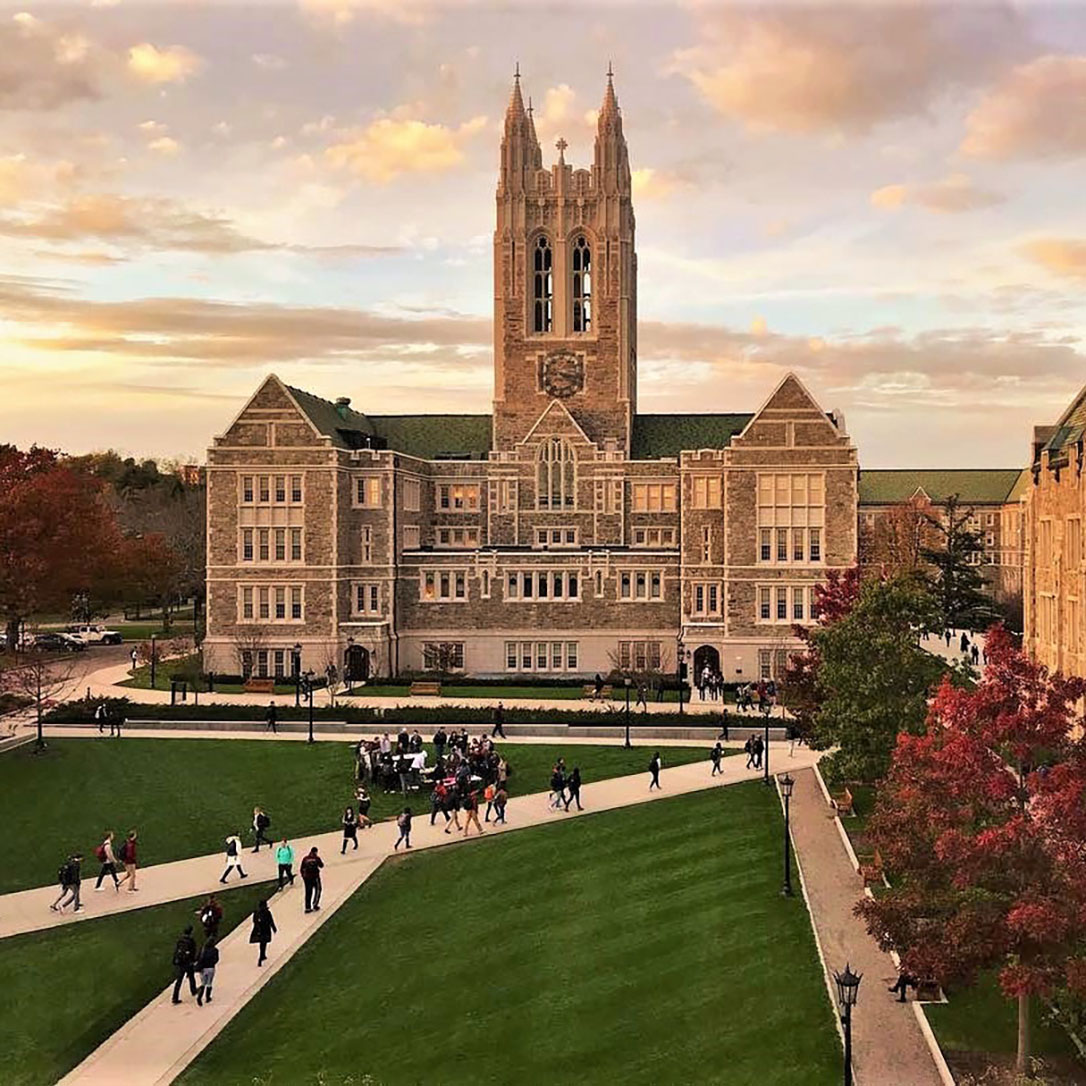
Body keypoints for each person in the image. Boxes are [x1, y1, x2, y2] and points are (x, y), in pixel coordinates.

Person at [171, 925, 198, 1003]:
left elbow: (176, 951)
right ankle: (193, 990)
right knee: (191, 977)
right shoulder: (191, 941)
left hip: (180, 963)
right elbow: (193, 952)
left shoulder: (180, 940)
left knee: (179, 981)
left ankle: (175, 997)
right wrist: (193, 961)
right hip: (188, 962)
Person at [249, 900, 277, 966]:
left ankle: (262, 954)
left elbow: (254, 921)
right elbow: (271, 921)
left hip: (259, 929)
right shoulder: (267, 912)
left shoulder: (256, 913)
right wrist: (274, 928)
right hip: (266, 929)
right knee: (264, 943)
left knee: (262, 943)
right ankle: (261, 956)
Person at [196, 937, 219, 1006]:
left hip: (203, 969)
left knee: (203, 983)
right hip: (210, 968)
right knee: (209, 983)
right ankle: (207, 997)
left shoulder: (202, 949)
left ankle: (199, 997)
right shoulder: (215, 950)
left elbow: (197, 958)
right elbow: (216, 959)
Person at [300, 847, 323, 912]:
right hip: (315, 877)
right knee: (318, 890)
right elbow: (321, 865)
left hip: (307, 878)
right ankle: (315, 904)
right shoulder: (317, 858)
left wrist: (303, 876)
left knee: (308, 892)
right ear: (316, 852)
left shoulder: (305, 858)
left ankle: (307, 907)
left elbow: (302, 868)